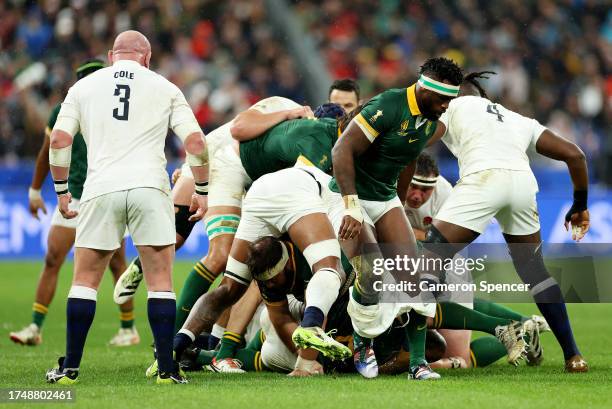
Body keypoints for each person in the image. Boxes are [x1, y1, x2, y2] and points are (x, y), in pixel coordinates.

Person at [44, 30, 209, 385]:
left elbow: (58, 140)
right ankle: (167, 369)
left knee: (85, 280)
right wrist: (203, 190)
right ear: (146, 58)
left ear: (111, 55)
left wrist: (60, 192)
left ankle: (70, 369)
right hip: (150, 187)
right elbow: (195, 140)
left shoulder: (84, 88)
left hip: (100, 187)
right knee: (160, 280)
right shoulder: (165, 87)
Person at [424, 71, 589, 372]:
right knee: (536, 272)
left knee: (428, 260)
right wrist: (579, 205)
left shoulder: (453, 107)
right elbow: (575, 155)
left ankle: (418, 350)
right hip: (523, 184)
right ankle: (573, 356)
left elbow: (420, 140)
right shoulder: (517, 119)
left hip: (483, 179)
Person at [330, 57, 463, 380]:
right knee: (372, 271)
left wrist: (399, 205)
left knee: (415, 277)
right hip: (346, 196)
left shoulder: (430, 120)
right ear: (423, 89)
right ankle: (363, 343)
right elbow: (341, 151)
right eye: (443, 98)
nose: (446, 106)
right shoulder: (389, 104)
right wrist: (350, 205)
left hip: (384, 198)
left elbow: (406, 160)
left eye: (451, 100)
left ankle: (418, 363)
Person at [10, 60, 139, 348]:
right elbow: (47, 151)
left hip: (105, 195)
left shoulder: (117, 111)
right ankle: (35, 326)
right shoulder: (64, 110)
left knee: (116, 263)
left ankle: (128, 328)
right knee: (53, 257)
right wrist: (34, 191)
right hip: (75, 196)